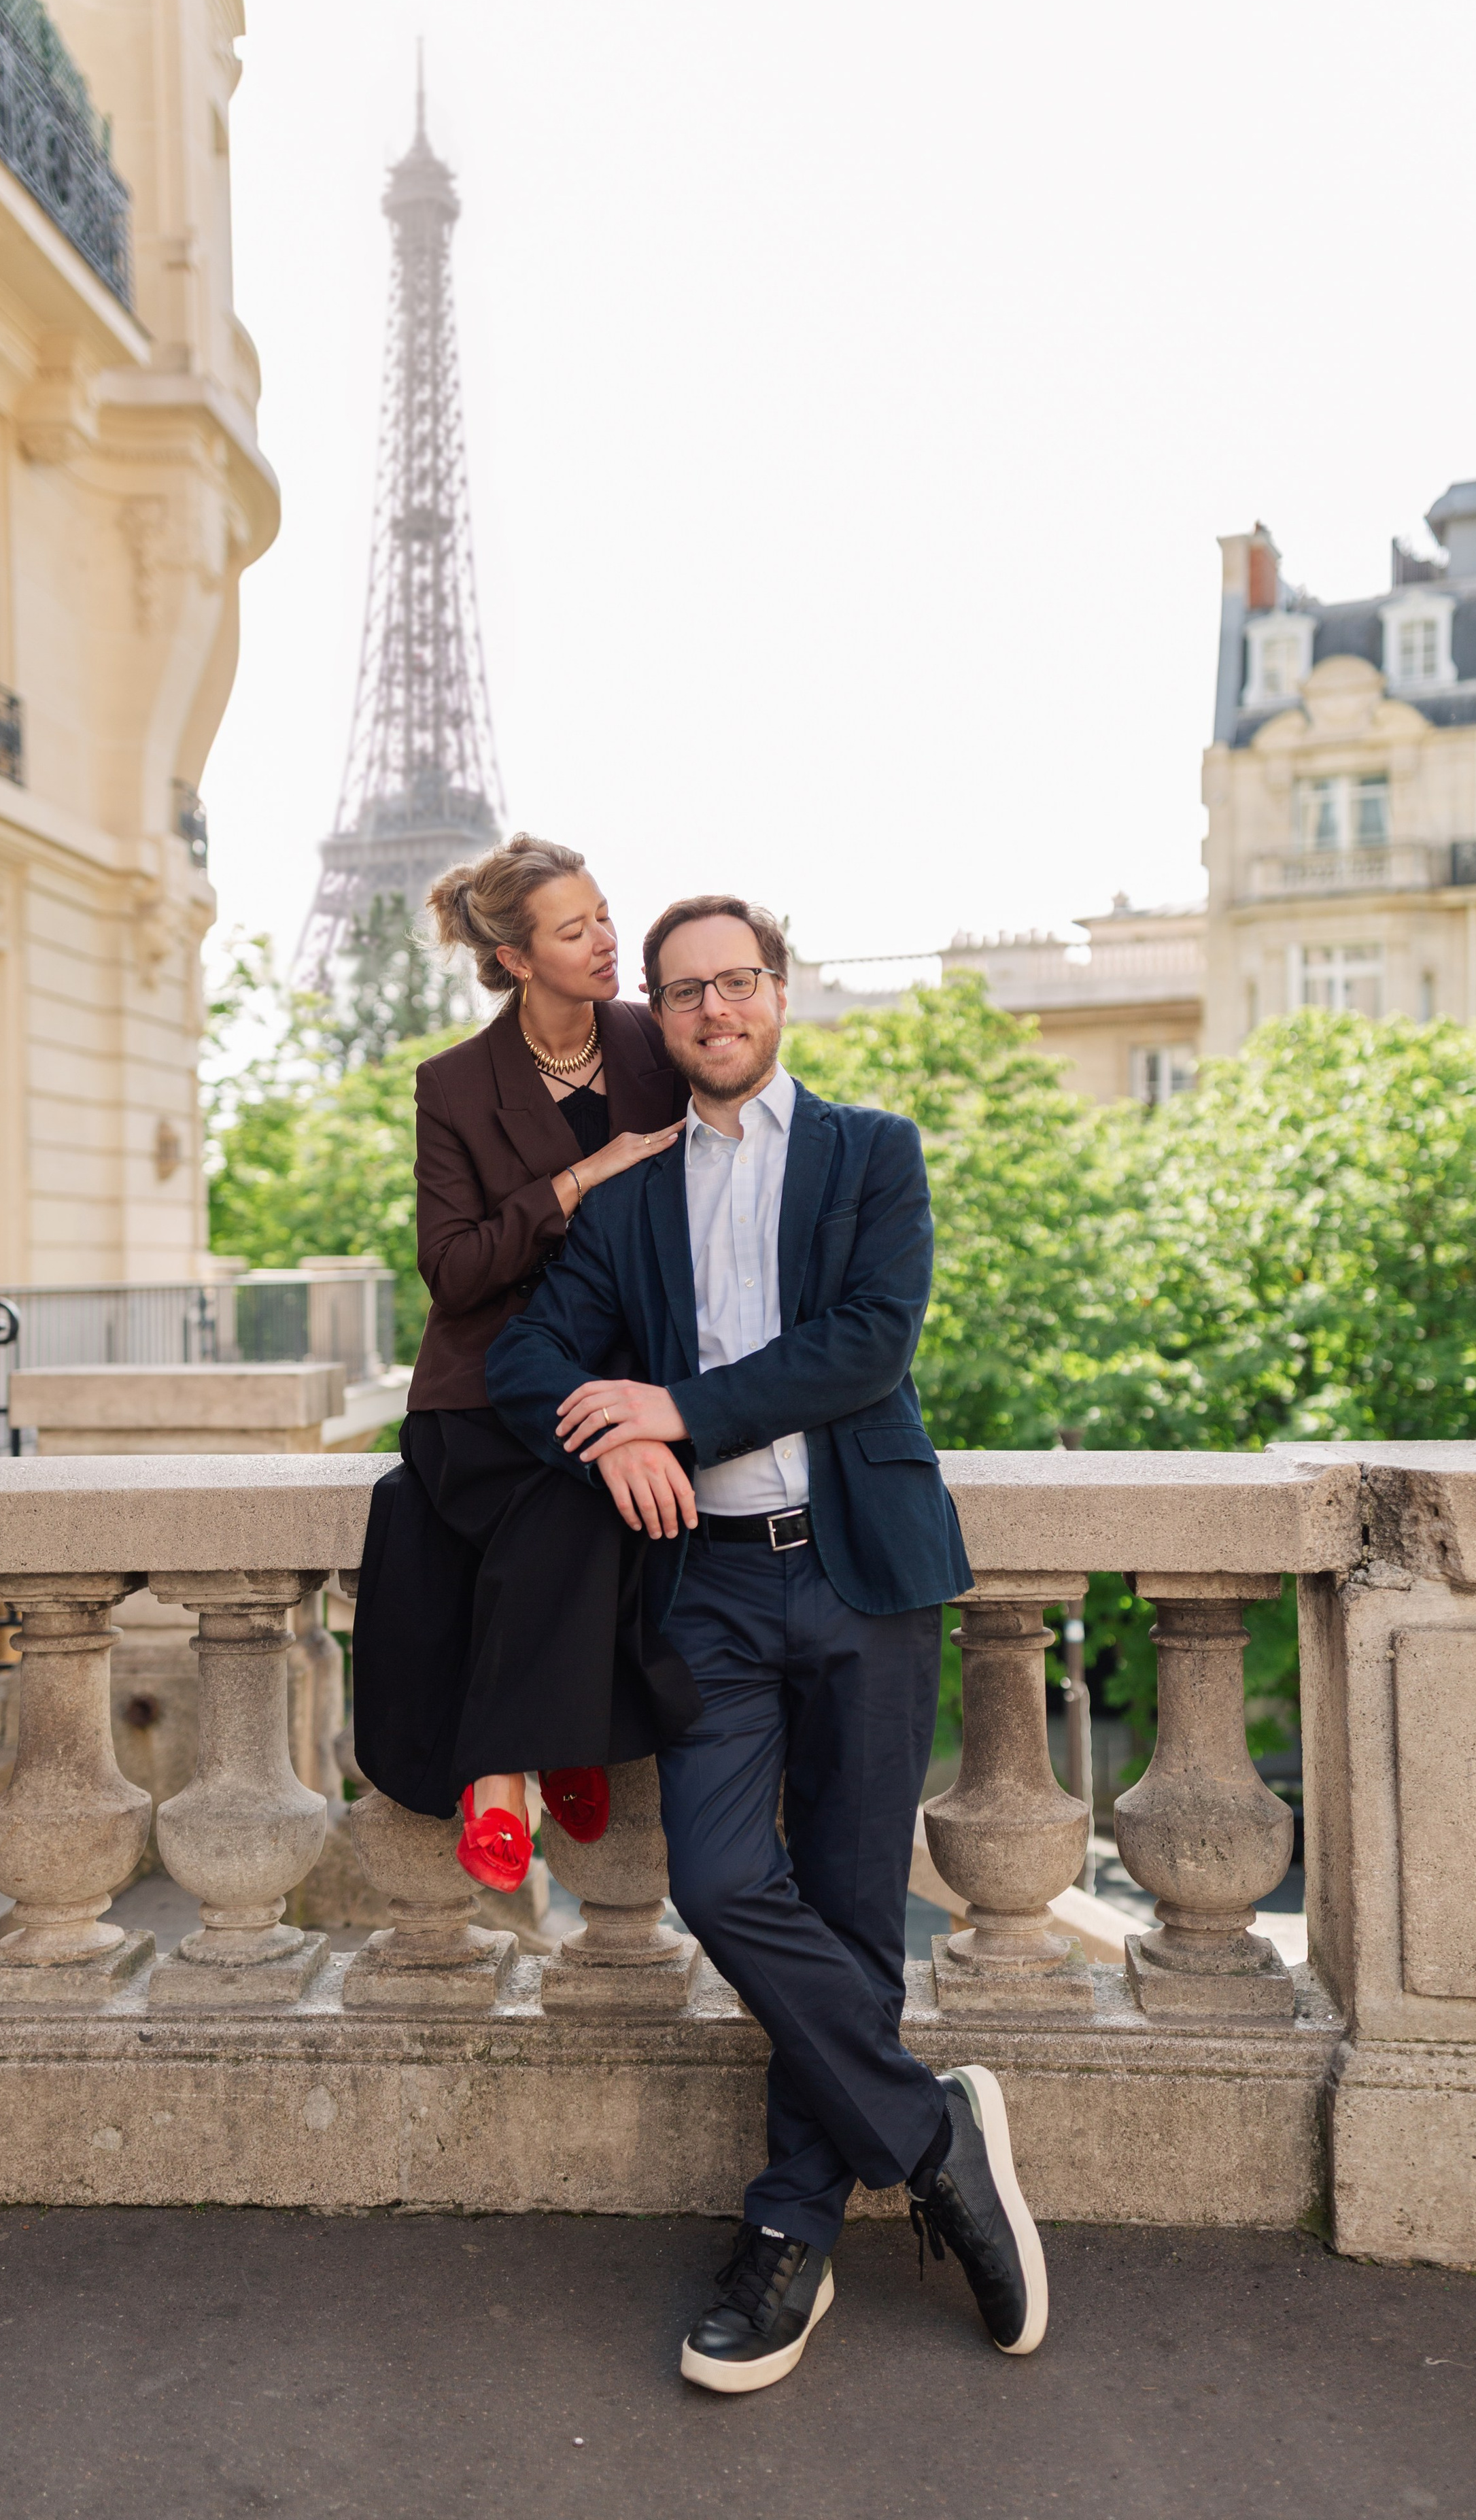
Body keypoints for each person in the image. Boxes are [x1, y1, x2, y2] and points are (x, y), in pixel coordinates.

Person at [486, 892, 1047, 2390]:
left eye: (735, 982)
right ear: (656, 1022)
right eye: (681, 993)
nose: (712, 1010)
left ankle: (790, 2233)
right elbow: (527, 1356)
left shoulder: (872, 1152)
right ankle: (932, 2137)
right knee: (720, 1879)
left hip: (865, 1571)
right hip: (711, 1588)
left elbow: (869, 1341)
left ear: (777, 993)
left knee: (856, 1918)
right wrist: (605, 1440)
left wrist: (676, 1406)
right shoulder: (627, 1200)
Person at [347, 834, 700, 1890]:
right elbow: (452, 1274)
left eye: (603, 914)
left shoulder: (656, 1042)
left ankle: (532, 1753)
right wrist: (580, 1178)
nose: (606, 940)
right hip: (480, 1393)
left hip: (625, 1372)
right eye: (574, 928)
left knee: (593, 1492)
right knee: (584, 1499)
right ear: (514, 959)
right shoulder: (455, 1086)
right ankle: (528, 1759)